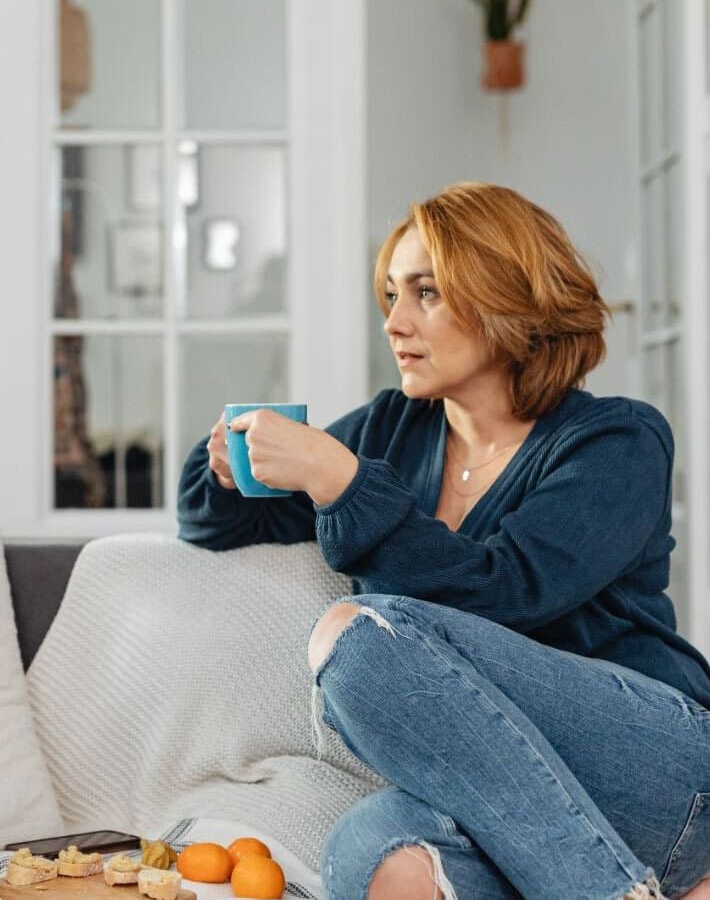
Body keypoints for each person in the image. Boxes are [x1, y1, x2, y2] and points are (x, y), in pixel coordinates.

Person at [177, 183, 710, 900]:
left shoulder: (618, 440)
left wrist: (341, 481)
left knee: (356, 639)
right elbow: (223, 526)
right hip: (493, 796)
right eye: (391, 295)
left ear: (507, 298)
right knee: (373, 857)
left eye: (425, 293)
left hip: (655, 772)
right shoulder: (394, 429)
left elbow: (505, 592)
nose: (395, 322)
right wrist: (225, 469)